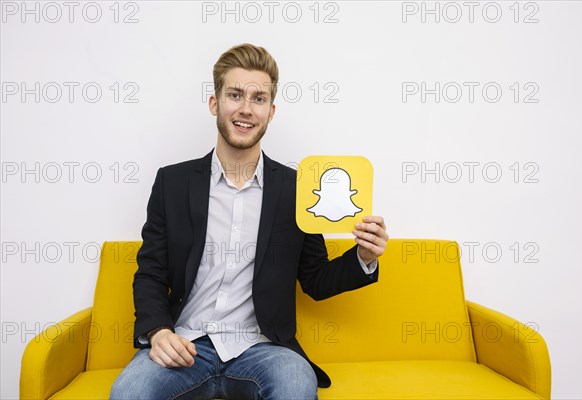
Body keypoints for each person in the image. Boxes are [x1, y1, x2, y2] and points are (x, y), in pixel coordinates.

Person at [110, 43, 389, 400]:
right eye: (235, 95)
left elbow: (316, 280)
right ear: (215, 103)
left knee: (296, 388)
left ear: (271, 112)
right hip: (186, 343)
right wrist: (158, 331)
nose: (245, 109)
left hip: (262, 350)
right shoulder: (173, 183)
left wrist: (364, 257)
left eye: (258, 99)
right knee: (128, 394)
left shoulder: (297, 190)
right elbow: (150, 272)